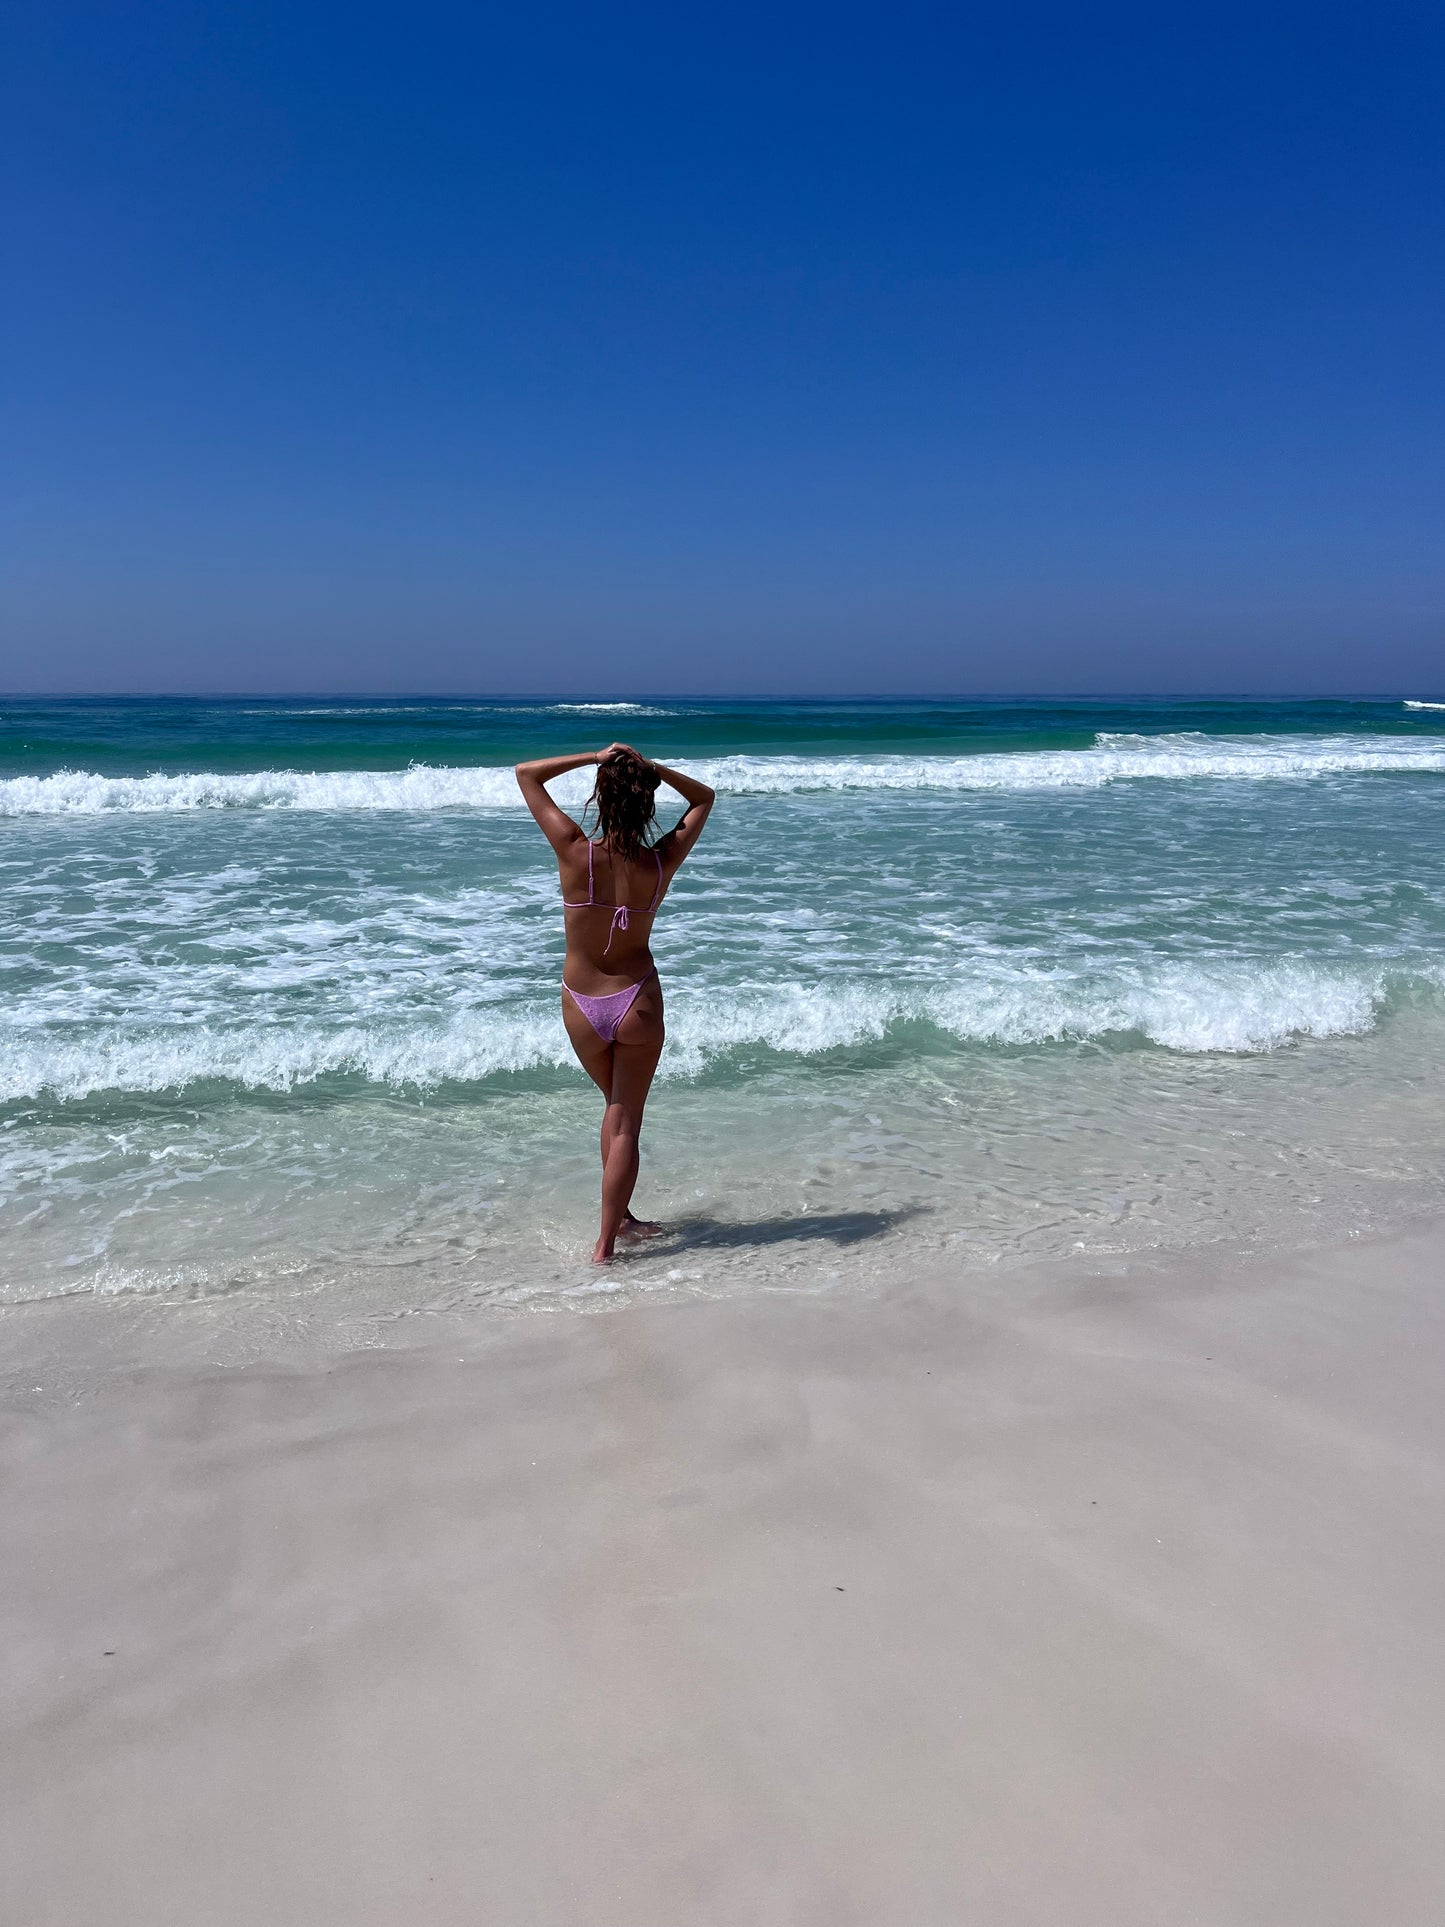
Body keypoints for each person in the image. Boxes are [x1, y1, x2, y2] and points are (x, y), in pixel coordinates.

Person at [514, 741, 715, 1262]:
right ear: (646, 804)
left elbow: (527, 773)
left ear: (600, 800)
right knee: (624, 1118)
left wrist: (595, 758)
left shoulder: (574, 849)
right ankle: (606, 1242)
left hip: (581, 1003)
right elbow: (703, 798)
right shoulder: (660, 861)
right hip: (638, 1002)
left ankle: (617, 1224)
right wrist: (652, 769)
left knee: (615, 1112)